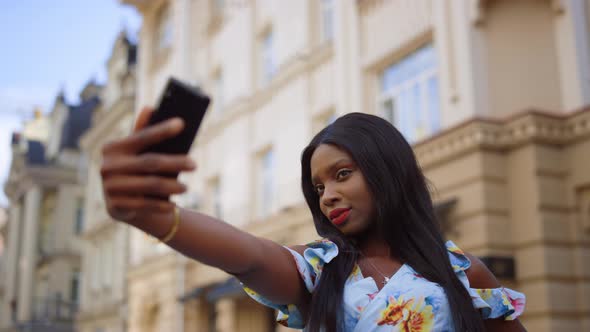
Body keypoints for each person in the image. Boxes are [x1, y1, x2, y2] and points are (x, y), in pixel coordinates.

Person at [100, 108, 526, 331]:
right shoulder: (322, 269)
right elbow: (250, 257)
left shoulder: (464, 275)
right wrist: (156, 217)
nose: (329, 195)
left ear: (388, 170)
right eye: (318, 187)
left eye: (342, 175)